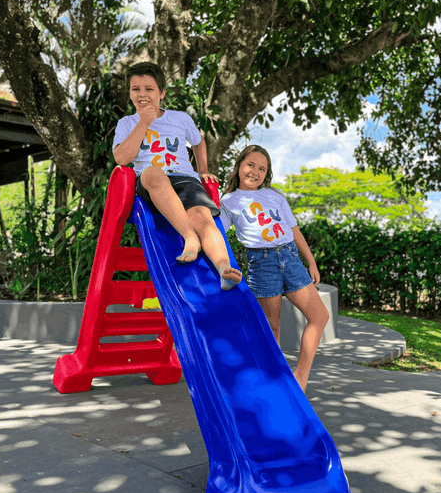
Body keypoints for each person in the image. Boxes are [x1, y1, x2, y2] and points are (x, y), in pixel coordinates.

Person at [112, 62, 242, 290]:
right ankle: (189, 236)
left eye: (149, 89)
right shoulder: (127, 123)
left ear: (162, 93)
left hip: (184, 177)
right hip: (151, 186)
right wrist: (144, 122)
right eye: (136, 89)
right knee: (153, 172)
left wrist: (202, 170)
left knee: (203, 216)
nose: (142, 94)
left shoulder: (180, 118)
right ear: (129, 93)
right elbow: (122, 158)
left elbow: (199, 141)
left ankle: (224, 269)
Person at [219, 145, 329, 392]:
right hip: (262, 262)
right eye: (250, 165)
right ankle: (275, 381)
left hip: (290, 258)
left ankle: (299, 379)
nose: (255, 172)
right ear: (239, 166)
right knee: (272, 327)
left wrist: (310, 261)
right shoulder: (228, 201)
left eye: (262, 168)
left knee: (320, 316)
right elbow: (218, 235)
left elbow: (293, 230)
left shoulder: (275, 195)